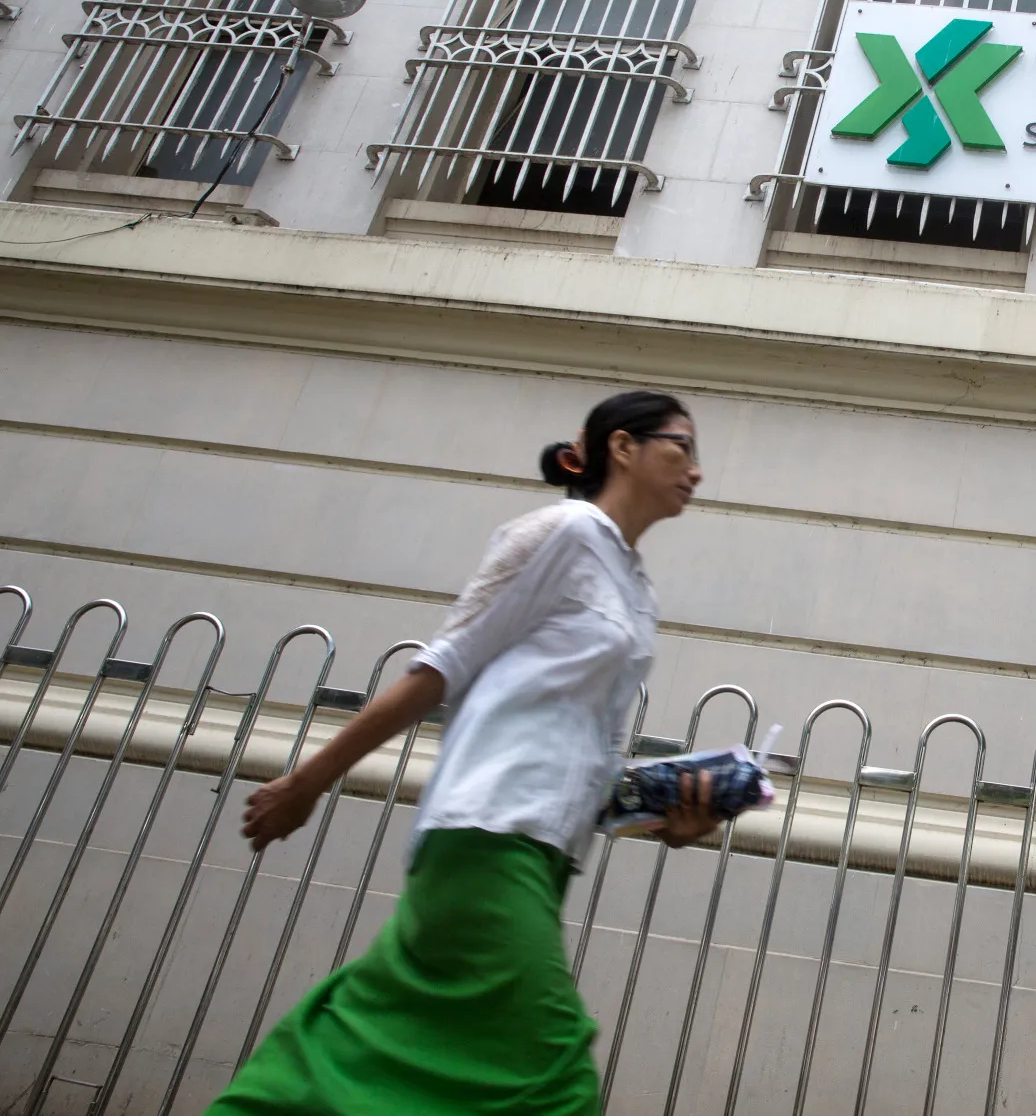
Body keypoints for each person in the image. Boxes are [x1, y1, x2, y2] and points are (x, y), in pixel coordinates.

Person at [209, 389, 715, 1115]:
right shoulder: (566, 532)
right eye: (682, 446)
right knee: (552, 1081)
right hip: (487, 836)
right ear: (623, 448)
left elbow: (586, 761)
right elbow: (439, 669)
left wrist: (668, 819)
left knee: (374, 1039)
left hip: (541, 852)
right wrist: (309, 780)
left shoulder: (636, 588)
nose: (696, 470)